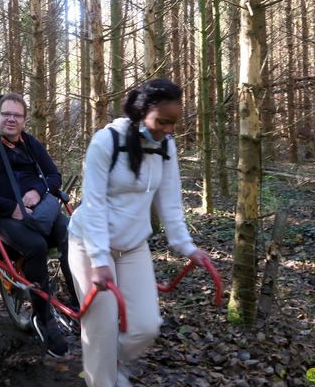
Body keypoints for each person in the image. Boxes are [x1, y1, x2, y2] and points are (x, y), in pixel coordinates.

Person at [67, 79, 211, 387]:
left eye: (173, 123)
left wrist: (187, 247)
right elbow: (93, 205)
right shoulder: (106, 141)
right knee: (100, 330)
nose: (168, 129)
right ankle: (102, 376)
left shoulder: (165, 146)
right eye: (162, 121)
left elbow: (171, 203)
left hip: (133, 247)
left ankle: (108, 360)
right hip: (89, 245)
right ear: (142, 112)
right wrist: (101, 260)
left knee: (145, 327)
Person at [0, 92, 75, 358]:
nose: (11, 120)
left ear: (25, 120)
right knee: (36, 246)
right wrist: (10, 207)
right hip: (4, 216)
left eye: (17, 115)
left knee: (72, 234)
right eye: (6, 114)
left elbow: (53, 175)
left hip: (40, 212)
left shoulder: (31, 144)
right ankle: (43, 318)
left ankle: (78, 301)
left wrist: (38, 191)